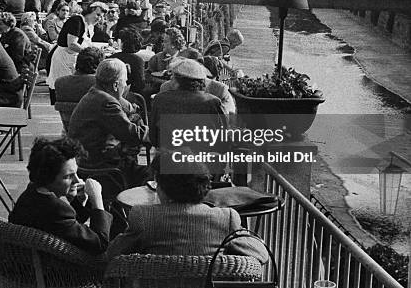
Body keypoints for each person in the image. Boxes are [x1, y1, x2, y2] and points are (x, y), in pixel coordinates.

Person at [107, 155, 269, 263]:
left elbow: (111, 254)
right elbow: (261, 254)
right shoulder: (226, 218)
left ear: (161, 187)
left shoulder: (143, 217)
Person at [9, 137, 113, 255]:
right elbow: (100, 244)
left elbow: (67, 227)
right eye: (68, 176)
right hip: (59, 270)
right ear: (48, 177)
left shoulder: (31, 194)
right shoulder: (57, 209)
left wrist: (76, 202)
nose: (77, 180)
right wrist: (97, 200)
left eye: (76, 173)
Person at [68, 58, 149, 187]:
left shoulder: (95, 93)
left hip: (85, 158)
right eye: (125, 81)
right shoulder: (107, 102)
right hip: (98, 164)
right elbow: (131, 135)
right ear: (116, 85)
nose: (126, 85)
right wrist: (156, 132)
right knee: (154, 175)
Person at [150, 58, 227, 148]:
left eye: (173, 76)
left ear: (178, 80)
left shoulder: (160, 99)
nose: (171, 78)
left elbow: (154, 138)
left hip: (168, 156)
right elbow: (222, 138)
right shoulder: (213, 102)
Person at [110, 28, 145, 93]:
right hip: (131, 93)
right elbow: (140, 84)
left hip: (111, 91)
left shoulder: (112, 57)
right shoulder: (138, 60)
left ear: (121, 43)